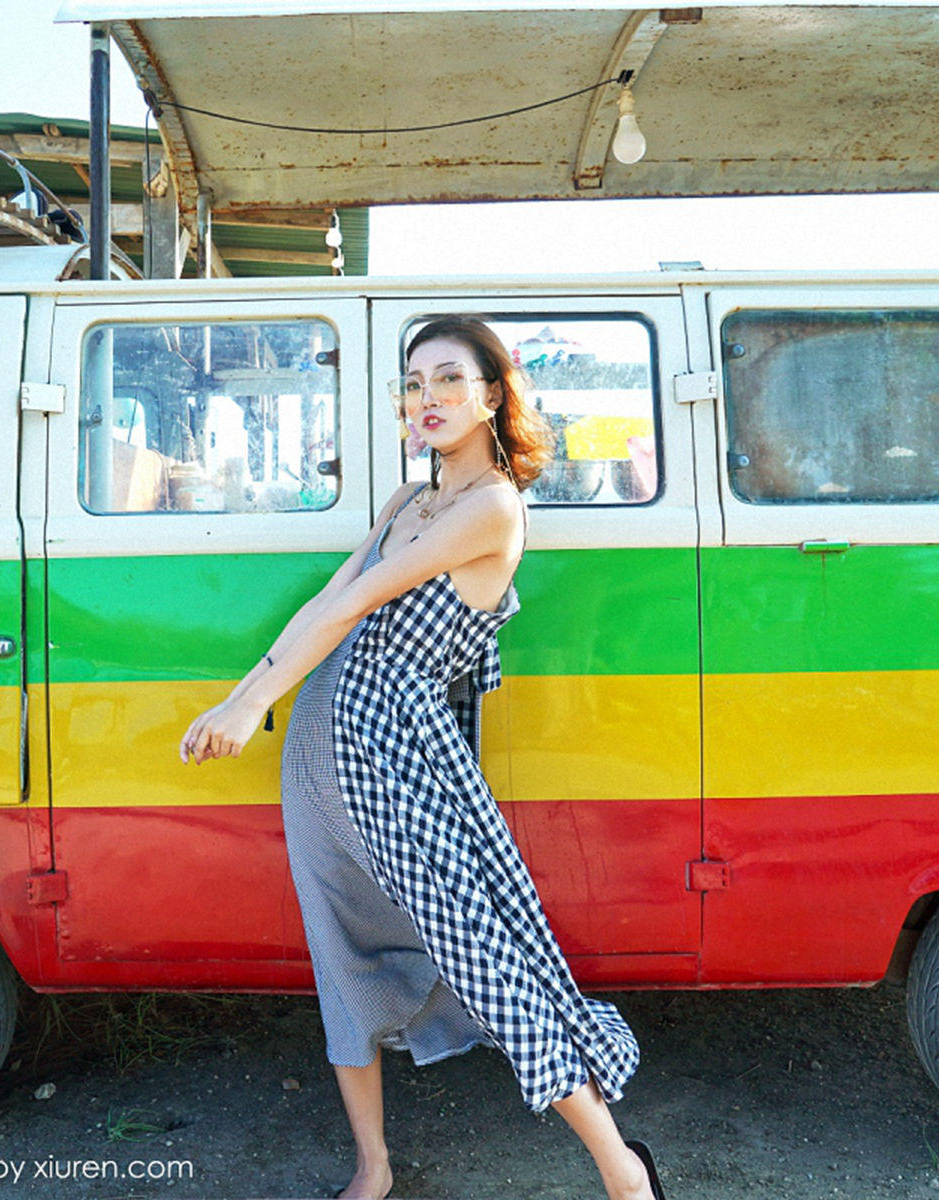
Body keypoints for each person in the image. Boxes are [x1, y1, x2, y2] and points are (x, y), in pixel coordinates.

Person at [179, 316, 666, 1200]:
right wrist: (250, 696)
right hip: (322, 745)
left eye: (447, 379)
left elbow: (358, 603)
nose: (426, 398)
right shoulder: (408, 502)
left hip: (398, 752)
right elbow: (325, 604)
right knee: (339, 950)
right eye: (412, 383)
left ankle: (622, 1171)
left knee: (481, 951)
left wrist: (249, 703)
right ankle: (374, 1166)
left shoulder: (493, 508)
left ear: (491, 395)